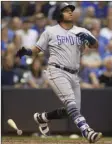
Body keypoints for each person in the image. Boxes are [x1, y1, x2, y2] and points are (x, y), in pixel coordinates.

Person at [16, 3, 102, 143]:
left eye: (71, 11)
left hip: (74, 74)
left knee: (72, 112)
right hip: (56, 70)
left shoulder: (81, 30)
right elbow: (37, 49)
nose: (70, 13)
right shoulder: (50, 31)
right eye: (66, 11)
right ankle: (87, 131)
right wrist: (27, 52)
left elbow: (95, 46)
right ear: (59, 14)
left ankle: (42, 118)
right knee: (71, 104)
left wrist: (91, 39)